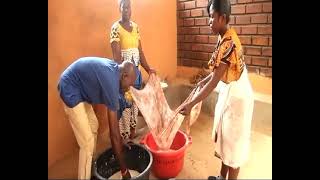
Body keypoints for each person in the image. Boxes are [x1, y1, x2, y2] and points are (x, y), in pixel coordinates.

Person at [179, 0, 254, 179]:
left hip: (238, 98)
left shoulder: (229, 43)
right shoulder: (223, 36)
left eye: (212, 17)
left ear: (223, 17)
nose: (209, 21)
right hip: (229, 90)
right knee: (224, 138)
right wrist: (201, 81)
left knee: (233, 146)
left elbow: (214, 81)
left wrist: (191, 104)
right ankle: (221, 177)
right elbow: (217, 73)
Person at [57, 57, 136, 180]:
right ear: (124, 76)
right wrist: (124, 171)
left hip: (80, 90)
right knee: (87, 143)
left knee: (94, 125)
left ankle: (90, 166)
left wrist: (120, 140)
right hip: (69, 89)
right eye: (129, 85)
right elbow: (113, 135)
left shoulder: (115, 71)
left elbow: (115, 133)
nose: (128, 89)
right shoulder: (111, 84)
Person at [110, 0, 156, 141]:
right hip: (124, 75)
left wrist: (149, 69)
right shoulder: (115, 28)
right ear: (119, 9)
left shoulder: (135, 27)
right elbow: (117, 58)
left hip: (136, 74)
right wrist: (122, 79)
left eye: (128, 7)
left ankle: (132, 133)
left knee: (135, 103)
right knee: (124, 105)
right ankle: (124, 138)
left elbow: (140, 52)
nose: (126, 10)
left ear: (131, 9)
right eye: (123, 7)